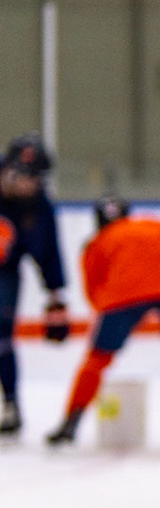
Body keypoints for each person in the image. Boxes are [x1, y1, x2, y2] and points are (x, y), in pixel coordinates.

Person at [46, 198, 160, 447]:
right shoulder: (159, 225)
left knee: (97, 360)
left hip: (123, 294)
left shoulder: (98, 241)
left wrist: (110, 324)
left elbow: (94, 289)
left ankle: (70, 422)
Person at [0, 134, 72, 436]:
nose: (32, 185)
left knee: (2, 336)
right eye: (26, 177)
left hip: (5, 272)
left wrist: (56, 298)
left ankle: (11, 404)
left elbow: (48, 251)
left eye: (37, 179)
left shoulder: (38, 206)